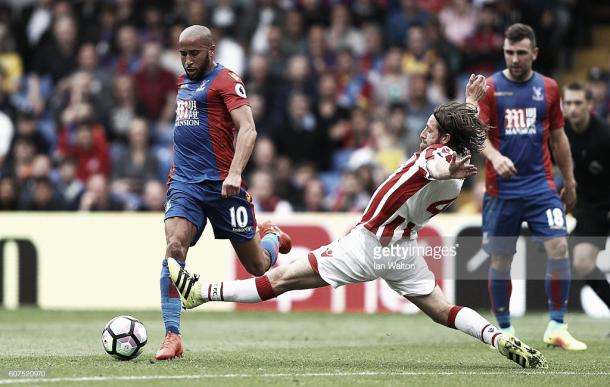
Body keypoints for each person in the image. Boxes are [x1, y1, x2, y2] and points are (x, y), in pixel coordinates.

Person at [166, 75, 548, 369]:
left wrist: (445, 161)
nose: (422, 133)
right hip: (403, 249)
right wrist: (471, 105)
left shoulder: (439, 157)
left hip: (369, 244)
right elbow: (452, 151)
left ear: (443, 138)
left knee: (280, 280)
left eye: (429, 129)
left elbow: (437, 161)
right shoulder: (459, 164)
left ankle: (203, 294)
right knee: (441, 309)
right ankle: (496, 338)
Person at [156, 25, 292, 360]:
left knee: (258, 267)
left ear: (210, 50)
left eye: (194, 54)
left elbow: (248, 129)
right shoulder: (182, 83)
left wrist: (234, 172)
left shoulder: (226, 81)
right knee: (174, 246)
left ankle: (271, 236)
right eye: (183, 54)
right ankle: (172, 335)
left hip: (223, 187)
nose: (187, 61)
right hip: (185, 183)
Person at [478, 23, 586, 350]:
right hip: (502, 191)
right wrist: (495, 157)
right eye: (509, 52)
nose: (514, 59)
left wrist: (569, 180)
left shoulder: (550, 89)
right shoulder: (492, 88)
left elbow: (558, 137)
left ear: (534, 53)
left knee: (558, 248)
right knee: (501, 260)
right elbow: (477, 134)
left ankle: (557, 326)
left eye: (521, 52)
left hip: (541, 187)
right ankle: (506, 330)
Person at [563, 81, 610, 312]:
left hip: (606, 204)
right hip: (589, 208)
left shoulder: (604, 136)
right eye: (568, 102)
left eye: (578, 103)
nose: (572, 108)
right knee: (582, 263)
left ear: (590, 105)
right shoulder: (560, 131)